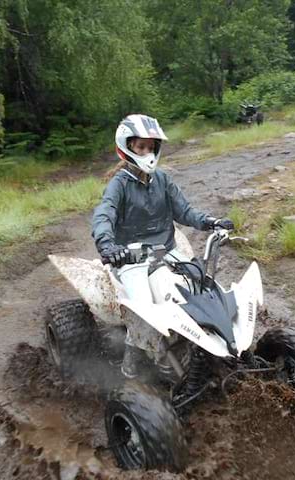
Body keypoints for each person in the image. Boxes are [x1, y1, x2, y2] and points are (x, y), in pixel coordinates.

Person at [91, 113, 233, 378]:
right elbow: (104, 214)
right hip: (131, 258)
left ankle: (210, 344)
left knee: (200, 287)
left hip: (168, 252)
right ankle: (131, 368)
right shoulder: (119, 184)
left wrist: (211, 222)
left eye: (151, 146)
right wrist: (107, 245)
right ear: (127, 147)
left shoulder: (163, 180)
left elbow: (185, 211)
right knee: (143, 312)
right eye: (141, 146)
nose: (147, 152)